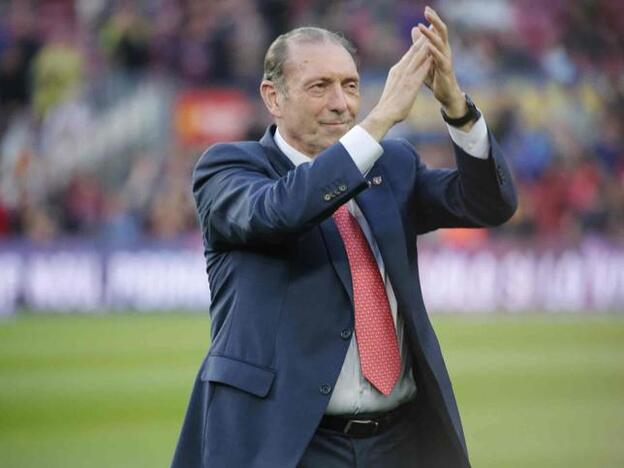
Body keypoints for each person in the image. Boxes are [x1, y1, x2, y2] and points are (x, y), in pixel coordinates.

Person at [172, 6, 516, 468]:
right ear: (273, 97)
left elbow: (488, 203)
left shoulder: (391, 166)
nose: (341, 103)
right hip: (293, 445)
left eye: (350, 85)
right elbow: (280, 211)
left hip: (399, 441)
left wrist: (457, 109)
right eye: (320, 87)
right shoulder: (229, 168)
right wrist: (379, 121)